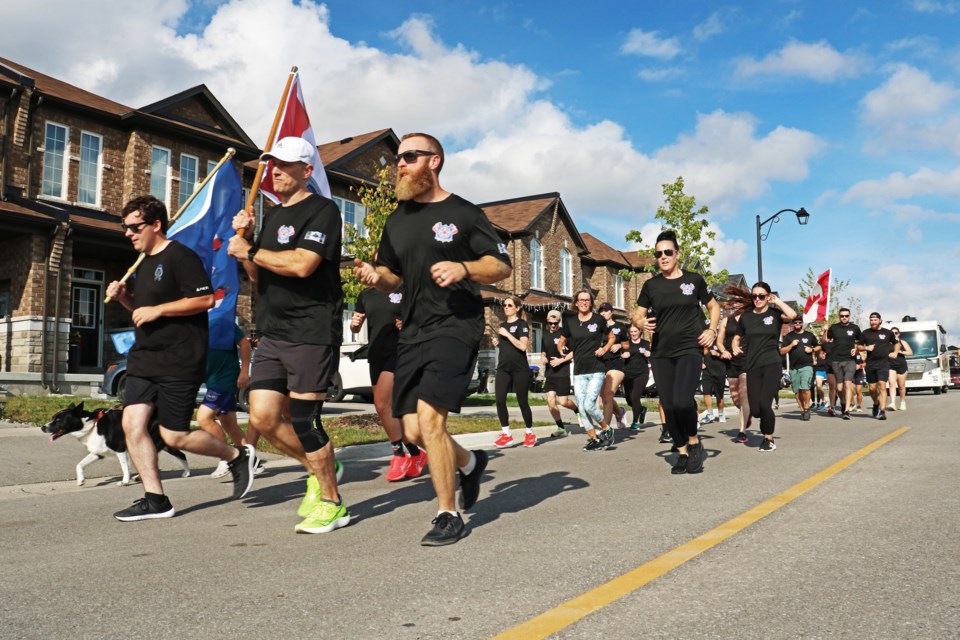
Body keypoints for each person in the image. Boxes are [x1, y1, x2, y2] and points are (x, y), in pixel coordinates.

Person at [354, 132, 512, 546]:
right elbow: (392, 274)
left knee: (430, 419)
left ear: (434, 161)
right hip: (414, 328)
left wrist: (464, 268)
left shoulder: (463, 212)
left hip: (456, 324)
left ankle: (447, 513)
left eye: (409, 156)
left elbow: (500, 266)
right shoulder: (397, 219)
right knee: (411, 430)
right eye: (398, 158)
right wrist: (376, 277)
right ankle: (471, 462)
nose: (399, 164)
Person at [107, 195, 255, 522]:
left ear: (156, 225)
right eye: (125, 228)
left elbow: (204, 300)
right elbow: (142, 313)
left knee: (175, 436)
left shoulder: (180, 256)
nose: (128, 233)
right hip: (145, 357)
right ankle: (155, 499)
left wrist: (157, 308)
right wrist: (125, 298)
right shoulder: (142, 264)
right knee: (132, 424)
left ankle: (235, 455)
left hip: (180, 358)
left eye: (135, 227)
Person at [228, 136, 347, 535]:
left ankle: (333, 502)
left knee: (306, 422)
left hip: (310, 330)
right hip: (272, 332)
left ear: (306, 171)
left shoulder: (324, 211)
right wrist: (247, 244)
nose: (274, 171)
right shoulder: (273, 216)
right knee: (261, 417)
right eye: (272, 164)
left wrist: (248, 250)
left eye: (284, 164)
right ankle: (322, 467)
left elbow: (302, 265)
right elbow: (259, 274)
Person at [633, 230, 721, 474]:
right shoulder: (651, 285)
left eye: (668, 252)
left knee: (682, 401)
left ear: (677, 254)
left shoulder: (694, 280)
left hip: (689, 349)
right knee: (669, 404)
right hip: (660, 352)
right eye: (659, 254)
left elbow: (714, 307)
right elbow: (637, 314)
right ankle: (681, 451)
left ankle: (694, 441)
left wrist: (712, 331)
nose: (663, 257)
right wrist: (639, 323)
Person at [351, 286, 427, 481]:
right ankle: (415, 452)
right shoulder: (366, 294)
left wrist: (409, 325)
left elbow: (423, 319)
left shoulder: (406, 290)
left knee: (382, 403)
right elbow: (355, 326)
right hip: (375, 354)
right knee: (386, 410)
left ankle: (399, 455)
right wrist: (354, 324)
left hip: (400, 351)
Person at [730, 282, 797, 451]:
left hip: (771, 363)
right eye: (754, 296)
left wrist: (778, 302)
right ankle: (763, 425)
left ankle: (768, 439)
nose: (757, 299)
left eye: (761, 296)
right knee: (756, 409)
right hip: (752, 365)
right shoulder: (746, 317)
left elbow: (793, 315)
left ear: (768, 297)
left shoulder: (775, 314)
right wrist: (734, 344)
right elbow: (737, 336)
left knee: (765, 404)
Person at [200, 324, 264, 478]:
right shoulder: (193, 324)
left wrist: (244, 371)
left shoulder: (222, 319)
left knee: (204, 417)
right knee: (229, 424)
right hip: (212, 380)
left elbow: (244, 343)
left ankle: (226, 457)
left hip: (226, 378)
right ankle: (252, 461)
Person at [558, 289, 617, 451]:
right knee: (582, 406)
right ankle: (594, 438)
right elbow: (561, 340)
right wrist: (561, 347)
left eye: (587, 300)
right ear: (576, 303)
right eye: (581, 300)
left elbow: (612, 337)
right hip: (578, 371)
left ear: (590, 303)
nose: (584, 302)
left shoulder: (599, 320)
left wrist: (604, 350)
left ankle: (606, 429)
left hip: (596, 368)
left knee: (590, 405)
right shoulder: (570, 321)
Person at [491, 295, 536, 448]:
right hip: (503, 368)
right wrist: (498, 343)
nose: (506, 307)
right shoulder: (503, 325)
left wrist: (507, 335)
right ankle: (506, 434)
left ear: (517, 308)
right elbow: (508, 348)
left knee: (522, 402)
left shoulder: (522, 324)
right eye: (505, 305)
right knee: (499, 400)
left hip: (520, 369)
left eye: (510, 305)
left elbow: (523, 346)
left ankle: (529, 433)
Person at [540, 309, 581, 437]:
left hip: (562, 372)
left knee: (563, 401)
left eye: (555, 323)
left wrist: (560, 360)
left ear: (559, 322)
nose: (553, 325)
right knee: (551, 401)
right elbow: (543, 350)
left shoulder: (565, 334)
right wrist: (542, 356)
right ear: (547, 321)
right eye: (551, 323)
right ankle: (561, 427)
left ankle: (577, 410)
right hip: (550, 373)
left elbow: (574, 352)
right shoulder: (545, 334)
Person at [859, 312, 899, 421]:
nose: (873, 322)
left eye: (875, 320)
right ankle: (876, 403)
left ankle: (882, 411)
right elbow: (858, 346)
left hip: (883, 363)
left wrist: (895, 352)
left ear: (880, 321)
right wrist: (866, 348)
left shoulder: (887, 333)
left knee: (882, 385)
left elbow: (896, 343)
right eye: (871, 320)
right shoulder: (865, 333)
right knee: (872, 389)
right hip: (871, 364)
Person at [779, 317, 820, 421]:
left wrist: (812, 349)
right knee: (797, 391)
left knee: (805, 387)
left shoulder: (809, 335)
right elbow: (782, 351)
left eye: (799, 322)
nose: (797, 323)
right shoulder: (789, 336)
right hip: (794, 368)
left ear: (802, 323)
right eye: (795, 322)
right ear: (793, 324)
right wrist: (791, 345)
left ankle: (807, 408)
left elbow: (819, 347)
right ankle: (802, 410)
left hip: (807, 365)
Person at [597, 302, 629, 430]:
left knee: (608, 395)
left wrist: (619, 345)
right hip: (600, 363)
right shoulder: (597, 328)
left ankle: (606, 429)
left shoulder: (619, 327)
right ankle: (620, 413)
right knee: (603, 396)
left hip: (615, 362)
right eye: (601, 311)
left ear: (611, 312)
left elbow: (627, 345)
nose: (603, 313)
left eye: (606, 310)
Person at [826, 308, 862, 420]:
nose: (844, 318)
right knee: (840, 388)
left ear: (849, 316)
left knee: (848, 384)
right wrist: (825, 331)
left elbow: (861, 342)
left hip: (849, 360)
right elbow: (826, 340)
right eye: (842, 316)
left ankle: (846, 411)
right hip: (836, 360)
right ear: (839, 316)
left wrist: (856, 348)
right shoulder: (834, 327)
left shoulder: (855, 328)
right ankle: (842, 402)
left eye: (846, 316)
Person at [621, 324, 651, 430]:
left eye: (635, 331)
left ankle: (635, 422)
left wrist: (649, 354)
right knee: (629, 400)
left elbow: (654, 355)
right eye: (631, 332)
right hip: (627, 374)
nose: (633, 334)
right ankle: (642, 409)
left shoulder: (646, 343)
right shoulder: (626, 344)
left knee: (635, 397)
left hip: (642, 373)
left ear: (640, 332)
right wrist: (622, 356)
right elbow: (618, 355)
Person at [700, 339, 726, 425]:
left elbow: (728, 356)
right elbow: (698, 354)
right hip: (707, 372)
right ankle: (710, 414)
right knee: (706, 393)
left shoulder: (721, 343)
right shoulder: (704, 343)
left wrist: (718, 354)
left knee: (720, 396)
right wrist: (701, 362)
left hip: (720, 372)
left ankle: (721, 414)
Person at [888, 327, 912, 411]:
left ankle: (902, 402)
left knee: (901, 386)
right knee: (891, 384)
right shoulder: (887, 343)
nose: (894, 334)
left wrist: (900, 351)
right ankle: (893, 403)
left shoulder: (902, 342)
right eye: (892, 333)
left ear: (899, 333)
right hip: (890, 365)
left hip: (901, 365)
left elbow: (910, 352)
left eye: (896, 333)